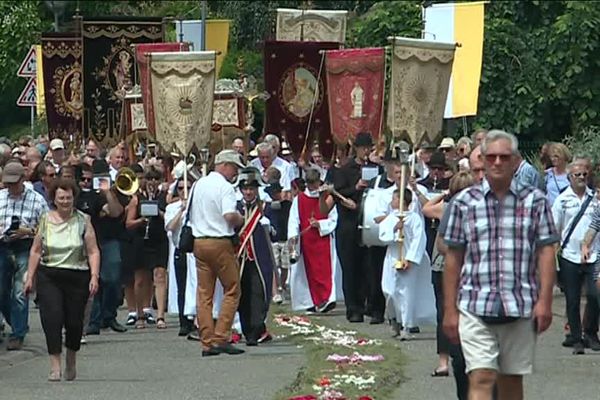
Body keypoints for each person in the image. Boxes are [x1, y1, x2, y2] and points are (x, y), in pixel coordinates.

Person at [443, 130, 558, 400]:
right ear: (482, 159)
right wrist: (449, 311)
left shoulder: (535, 201)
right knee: (481, 376)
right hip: (474, 303)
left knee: (510, 381)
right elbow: (453, 258)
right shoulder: (464, 203)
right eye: (491, 157)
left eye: (504, 157)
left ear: (516, 161)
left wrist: (545, 302)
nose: (497, 163)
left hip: (519, 304)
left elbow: (545, 252)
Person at [24, 178, 100, 381]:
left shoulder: (83, 220)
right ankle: (55, 366)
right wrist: (30, 277)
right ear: (54, 200)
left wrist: (94, 275)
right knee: (52, 318)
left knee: (74, 322)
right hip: (50, 274)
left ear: (74, 198)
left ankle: (71, 360)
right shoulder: (45, 220)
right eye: (61, 198)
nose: (65, 201)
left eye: (68, 197)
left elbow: (93, 251)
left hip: (77, 275)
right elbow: (36, 250)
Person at [189, 149, 246, 357]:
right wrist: (241, 218)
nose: (235, 173)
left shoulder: (198, 184)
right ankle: (221, 336)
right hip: (219, 241)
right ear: (224, 165)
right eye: (234, 168)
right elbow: (229, 216)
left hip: (199, 241)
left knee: (204, 294)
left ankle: (207, 341)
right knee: (232, 288)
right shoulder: (225, 187)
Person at [552, 162, 600, 355]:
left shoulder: (595, 199)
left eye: (584, 174)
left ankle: (590, 332)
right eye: (577, 174)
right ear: (570, 177)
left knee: (594, 296)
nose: (581, 177)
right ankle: (576, 337)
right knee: (572, 300)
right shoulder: (562, 200)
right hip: (570, 256)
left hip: (594, 255)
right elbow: (555, 229)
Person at [0, 162, 48, 351]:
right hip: (3, 246)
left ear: (23, 179)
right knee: (2, 290)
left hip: (26, 246)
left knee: (20, 291)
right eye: (8, 183)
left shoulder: (37, 200)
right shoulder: (1, 197)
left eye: (14, 183)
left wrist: (27, 230)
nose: (11, 187)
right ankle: (17, 322)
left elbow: (46, 228)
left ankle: (18, 333)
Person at [332, 132, 379, 322]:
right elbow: (337, 193)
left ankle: (372, 305)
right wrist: (355, 189)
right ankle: (353, 308)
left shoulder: (375, 168)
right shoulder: (345, 170)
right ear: (357, 149)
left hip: (368, 223)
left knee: (369, 267)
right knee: (351, 268)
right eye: (363, 148)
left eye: (369, 148)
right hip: (349, 224)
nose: (366, 151)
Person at [379, 189, 436, 340]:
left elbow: (419, 240)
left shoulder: (414, 218)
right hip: (392, 257)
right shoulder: (391, 218)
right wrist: (394, 229)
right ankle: (394, 318)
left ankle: (406, 326)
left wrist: (409, 259)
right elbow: (383, 237)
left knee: (406, 293)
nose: (392, 201)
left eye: (394, 198)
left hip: (407, 259)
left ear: (402, 200)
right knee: (389, 290)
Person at [288, 168, 340, 313]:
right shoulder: (299, 199)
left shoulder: (326, 197)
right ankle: (308, 302)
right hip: (306, 241)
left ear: (319, 181)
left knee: (324, 271)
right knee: (307, 273)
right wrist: (293, 238)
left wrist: (321, 225)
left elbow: (334, 218)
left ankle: (327, 299)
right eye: (309, 183)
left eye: (314, 183)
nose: (312, 186)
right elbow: (293, 220)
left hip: (323, 240)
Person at [125, 166, 169, 329]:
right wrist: (140, 221)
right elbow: (128, 223)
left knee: (160, 275)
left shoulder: (165, 197)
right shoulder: (136, 199)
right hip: (141, 240)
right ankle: (140, 314)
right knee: (141, 279)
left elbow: (169, 218)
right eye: (149, 179)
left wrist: (159, 212)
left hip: (159, 240)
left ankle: (160, 316)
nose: (152, 182)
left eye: (156, 179)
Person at [235, 168, 275, 345]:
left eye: (251, 188)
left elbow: (275, 231)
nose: (248, 192)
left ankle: (257, 328)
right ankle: (247, 330)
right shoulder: (236, 208)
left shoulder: (265, 207)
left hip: (259, 258)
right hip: (241, 258)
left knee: (259, 293)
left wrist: (270, 228)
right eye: (245, 188)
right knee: (243, 296)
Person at [165, 178, 197, 337]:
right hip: (182, 250)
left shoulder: (199, 205)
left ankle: (199, 319)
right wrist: (181, 211)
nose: (184, 191)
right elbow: (170, 227)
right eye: (180, 188)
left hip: (197, 251)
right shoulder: (172, 207)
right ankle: (184, 321)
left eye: (188, 187)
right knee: (182, 287)